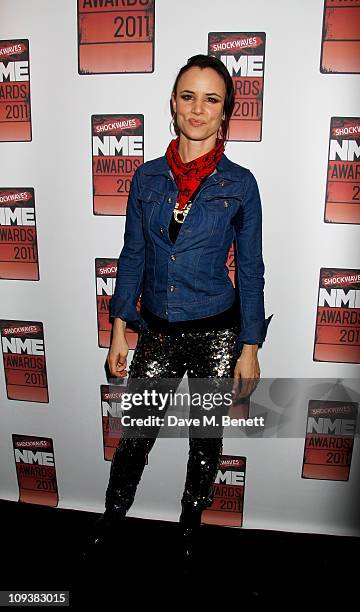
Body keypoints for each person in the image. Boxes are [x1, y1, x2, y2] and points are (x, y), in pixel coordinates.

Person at [81, 54, 273, 570]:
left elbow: (250, 269)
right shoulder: (145, 180)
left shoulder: (241, 183)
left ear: (225, 112)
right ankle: (113, 513)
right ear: (173, 103)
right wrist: (120, 330)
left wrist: (249, 347)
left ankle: (191, 520)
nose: (198, 109)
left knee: (205, 441)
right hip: (158, 334)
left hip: (217, 333)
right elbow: (134, 256)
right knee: (135, 437)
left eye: (211, 99)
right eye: (188, 96)